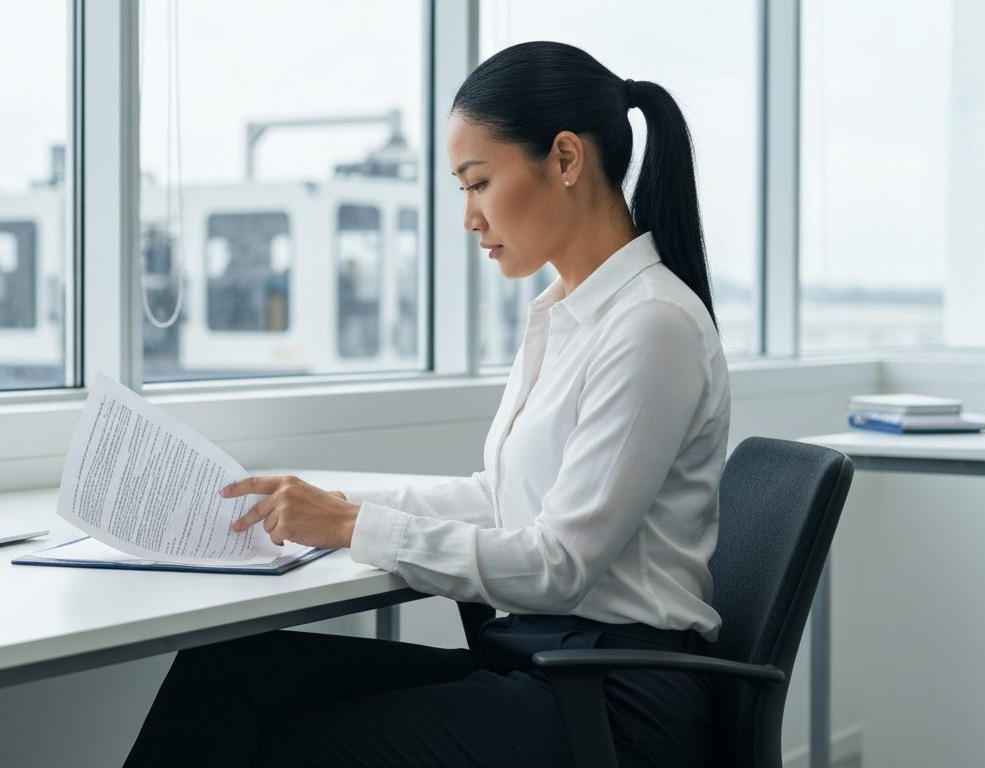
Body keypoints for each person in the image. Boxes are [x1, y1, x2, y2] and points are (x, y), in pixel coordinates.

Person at [124, 40, 729, 768]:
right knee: (225, 675)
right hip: (549, 664)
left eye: (478, 183)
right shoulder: (565, 315)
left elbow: (559, 563)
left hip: (616, 701)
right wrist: (334, 506)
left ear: (566, 160)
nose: (469, 217)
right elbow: (499, 499)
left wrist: (352, 525)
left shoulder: (652, 324)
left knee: (299, 748)